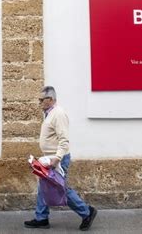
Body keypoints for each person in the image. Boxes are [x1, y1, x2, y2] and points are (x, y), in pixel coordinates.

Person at [24, 86, 97, 231]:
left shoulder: (58, 114)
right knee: (43, 187)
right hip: (49, 158)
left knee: (60, 188)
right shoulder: (49, 113)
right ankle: (41, 218)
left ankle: (87, 212)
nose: (39, 102)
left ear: (50, 99)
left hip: (57, 159)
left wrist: (56, 158)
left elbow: (64, 140)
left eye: (42, 99)